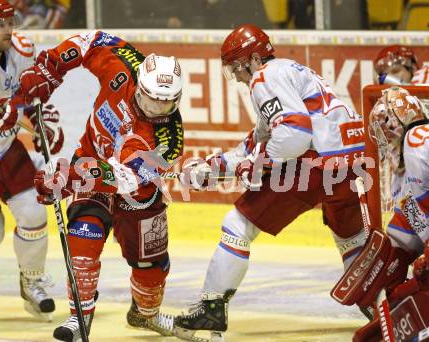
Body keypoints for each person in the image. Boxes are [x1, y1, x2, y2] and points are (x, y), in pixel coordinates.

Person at [172, 23, 367, 340]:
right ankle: (379, 299)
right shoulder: (287, 72)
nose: (236, 76)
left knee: (238, 225)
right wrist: (208, 169)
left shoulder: (264, 77)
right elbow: (257, 143)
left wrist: (259, 165)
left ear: (251, 59)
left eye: (236, 67)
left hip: (313, 165)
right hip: (349, 166)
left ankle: (211, 309)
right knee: (350, 236)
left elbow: (293, 136)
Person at [18, 29, 184, 341]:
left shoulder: (168, 138)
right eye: (151, 100)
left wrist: (71, 178)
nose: (156, 110)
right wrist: (51, 67)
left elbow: (126, 177)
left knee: (150, 267)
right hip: (89, 162)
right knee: (84, 239)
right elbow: (91, 40)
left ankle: (146, 314)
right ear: (139, 84)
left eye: (166, 104)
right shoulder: (124, 64)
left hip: (137, 195)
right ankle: (78, 318)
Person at [330, 86, 429, 341]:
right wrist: (388, 259)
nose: (384, 144)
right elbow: (413, 218)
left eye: (384, 135)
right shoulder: (405, 167)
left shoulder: (417, 141)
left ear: (394, 123)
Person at [0, 0, 63, 322]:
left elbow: (30, 98)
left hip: (4, 151)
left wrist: (43, 122)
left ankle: (32, 280)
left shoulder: (22, 49)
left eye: (10, 21)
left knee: (34, 212)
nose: (8, 29)